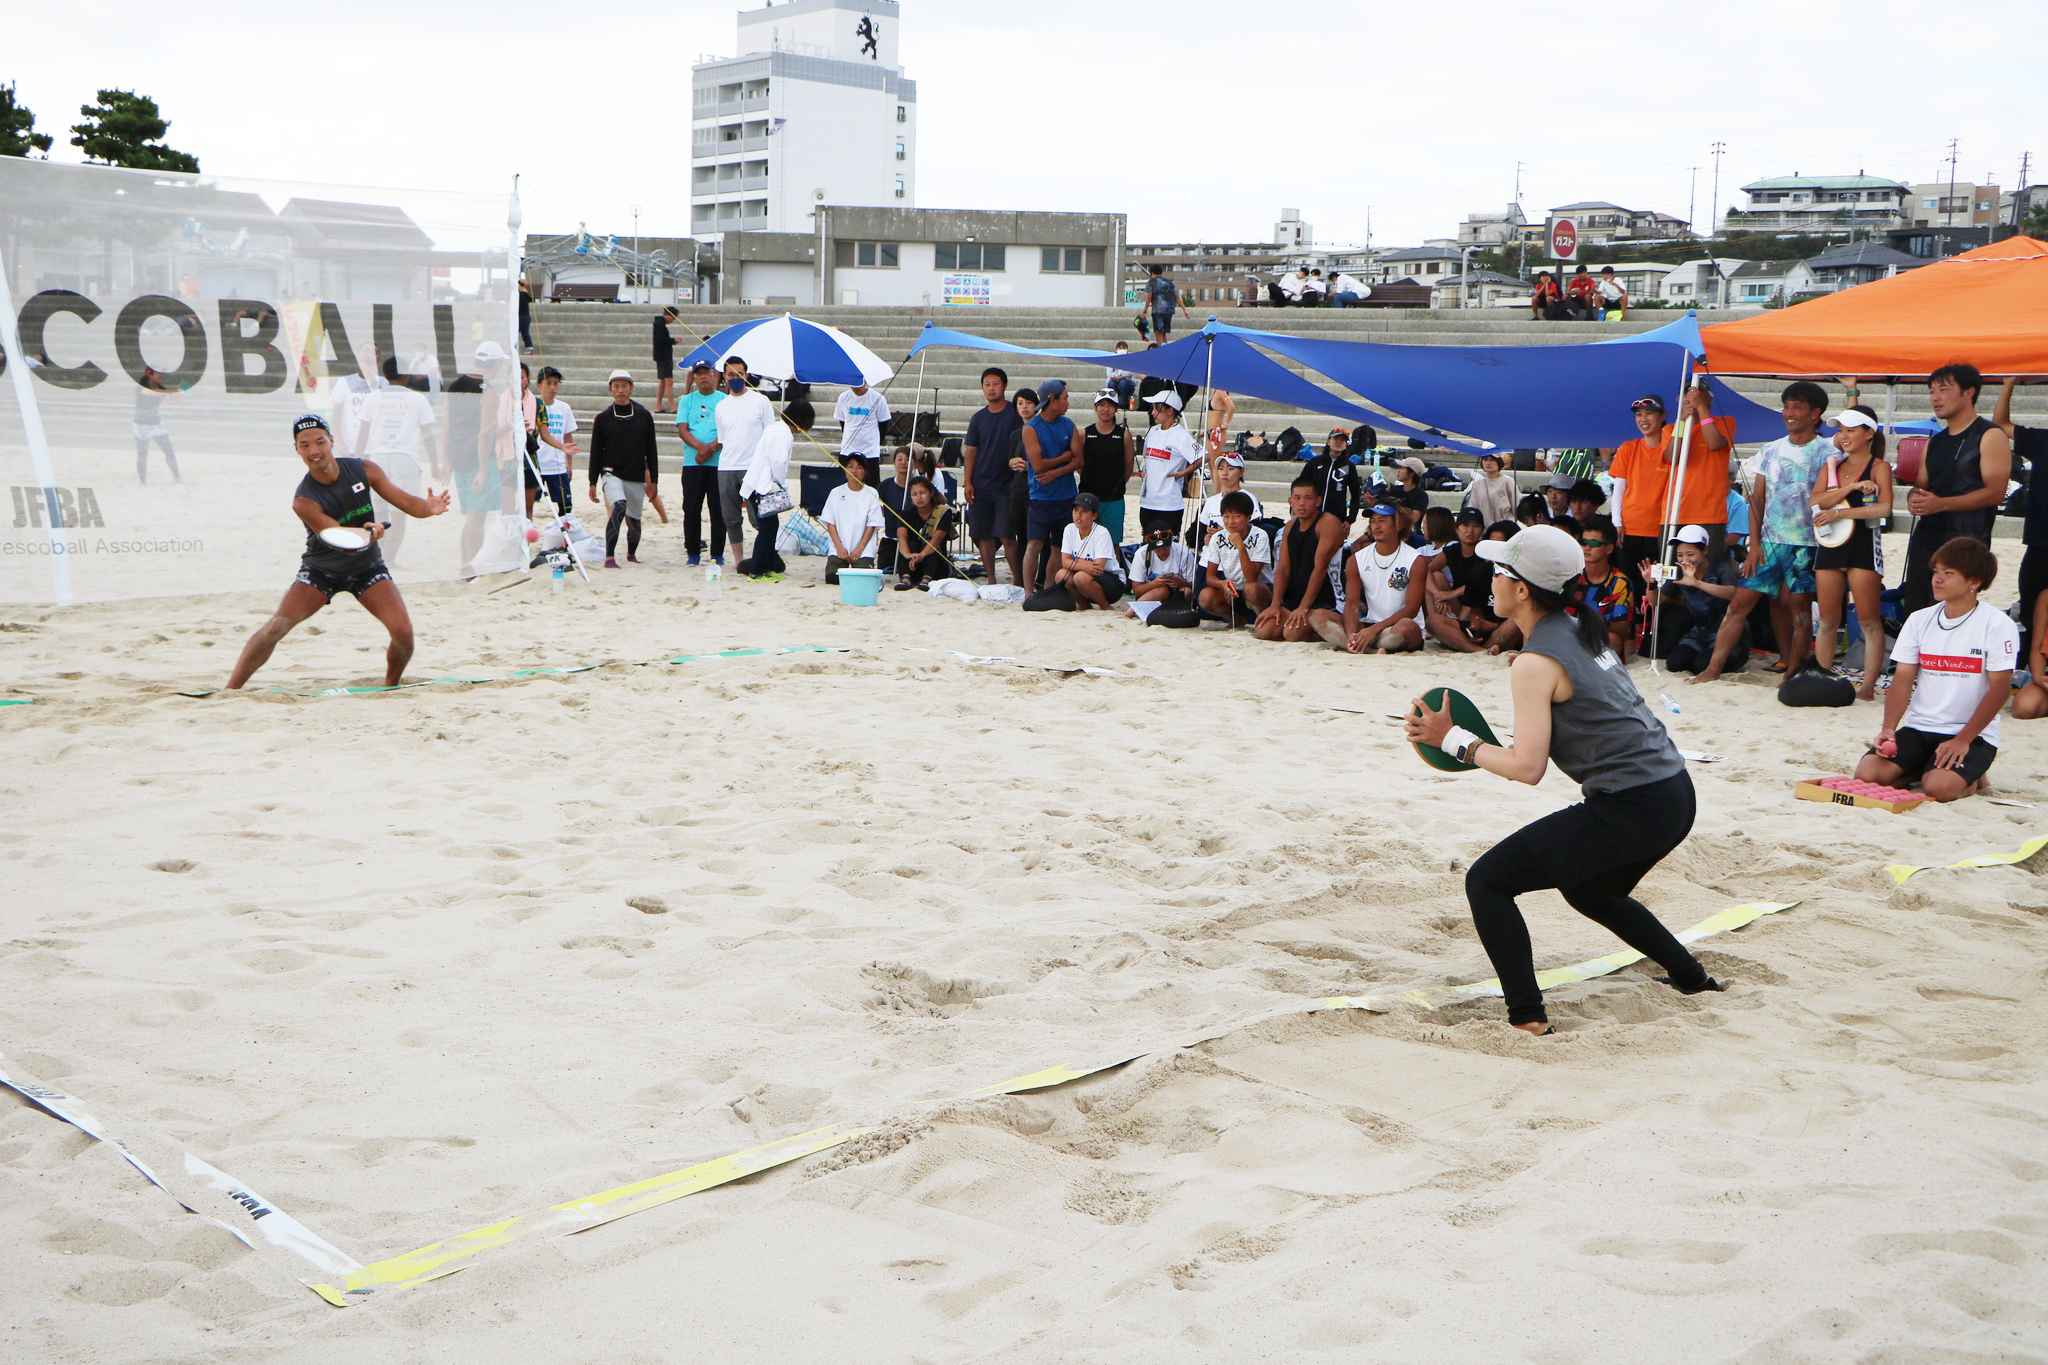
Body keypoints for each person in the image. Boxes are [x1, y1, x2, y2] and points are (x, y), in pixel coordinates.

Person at [1407, 524, 1724, 1034]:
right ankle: (1692, 978)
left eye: (1501, 570)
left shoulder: (1537, 659)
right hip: (1674, 793)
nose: (1491, 577)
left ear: (1523, 589)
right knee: (1591, 891)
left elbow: (1526, 768)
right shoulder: (1579, 626)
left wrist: (1452, 740)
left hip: (1634, 806)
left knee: (1486, 882)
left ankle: (1527, 1018)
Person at [226, 414, 450, 689]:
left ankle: (390, 687)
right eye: (305, 445)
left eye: (320, 442)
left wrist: (429, 508)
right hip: (322, 572)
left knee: (403, 634)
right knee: (277, 627)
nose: (314, 451)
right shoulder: (303, 500)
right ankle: (231, 690)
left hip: (367, 569)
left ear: (331, 441)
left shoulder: (363, 469)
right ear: (297, 450)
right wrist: (369, 532)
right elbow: (339, 539)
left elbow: (406, 502)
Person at [1856, 537, 2017, 802]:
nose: (1937, 579)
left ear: (1974, 582)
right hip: (1921, 727)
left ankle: (1971, 777)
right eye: (1936, 571)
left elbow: (2000, 690)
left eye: (1948, 573)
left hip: (1971, 733)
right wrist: (1888, 728)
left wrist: (1963, 739)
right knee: (1867, 775)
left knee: (1939, 788)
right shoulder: (1920, 619)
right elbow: (1903, 680)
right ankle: (1925, 766)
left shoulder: (1997, 624)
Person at [1693, 382, 1832, 684]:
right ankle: (1712, 670)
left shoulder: (1828, 451)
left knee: (1800, 611)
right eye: (1786, 406)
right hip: (1768, 544)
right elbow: (1757, 499)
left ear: (1815, 413)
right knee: (1739, 605)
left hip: (1806, 544)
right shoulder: (1770, 449)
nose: (1789, 412)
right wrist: (1753, 544)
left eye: (1797, 406)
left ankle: (1793, 674)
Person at [1903, 362, 2013, 615]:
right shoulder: (1936, 441)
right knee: (1917, 611)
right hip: (1927, 538)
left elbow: (1996, 492)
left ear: (1968, 392)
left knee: (1954, 612)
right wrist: (1913, 498)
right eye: (1931, 391)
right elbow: (1921, 484)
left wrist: (1941, 503)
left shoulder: (1990, 434)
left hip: (1967, 539)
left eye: (1943, 389)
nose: (1935, 397)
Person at [1811, 406, 1893, 698]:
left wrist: (1841, 514)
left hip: (1862, 544)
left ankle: (1868, 687)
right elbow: (1817, 501)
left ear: (1868, 433)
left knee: (1869, 619)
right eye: (1840, 430)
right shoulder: (1832, 465)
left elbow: (1884, 508)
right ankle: (1821, 680)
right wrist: (1852, 488)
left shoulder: (1879, 466)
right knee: (1828, 619)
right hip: (1831, 542)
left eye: (1850, 430)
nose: (1843, 436)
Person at [1992, 376, 2047, 665]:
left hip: (2039, 542)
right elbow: (2000, 423)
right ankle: (2029, 662)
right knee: (2029, 609)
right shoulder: (2042, 439)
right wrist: (2009, 383)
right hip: (2040, 543)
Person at [1258, 476, 1345, 642]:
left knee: (1291, 634)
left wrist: (1305, 607)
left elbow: (1320, 569)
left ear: (1318, 501)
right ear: (1290, 501)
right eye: (1297, 498)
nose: (1302, 503)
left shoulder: (1328, 523)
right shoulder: (1290, 527)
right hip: (1295, 597)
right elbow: (1283, 569)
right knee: (1264, 630)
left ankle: (1322, 627)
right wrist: (1275, 604)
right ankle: (1294, 614)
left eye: (1308, 498)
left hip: (1326, 599)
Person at [1650, 525, 1747, 675]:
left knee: (1702, 665)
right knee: (1675, 663)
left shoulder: (1720, 567)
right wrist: (1650, 584)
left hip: (1727, 633)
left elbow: (1732, 592)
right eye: (1680, 555)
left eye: (1690, 554)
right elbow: (1656, 601)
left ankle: (1734, 658)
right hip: (1699, 633)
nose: (1685, 560)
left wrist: (1697, 583)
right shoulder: (1679, 572)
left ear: (1705, 550)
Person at [587, 369, 660, 568]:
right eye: (616, 386)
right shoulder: (602, 419)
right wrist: (592, 481)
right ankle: (609, 557)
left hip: (636, 475)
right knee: (618, 506)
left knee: (634, 521)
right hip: (611, 472)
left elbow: (651, 450)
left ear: (631, 388)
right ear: (610, 389)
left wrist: (653, 480)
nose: (620, 391)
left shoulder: (644, 416)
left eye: (624, 386)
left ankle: (631, 554)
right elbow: (595, 451)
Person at [1337, 502, 1427, 654]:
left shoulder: (1415, 560)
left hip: (1397, 627)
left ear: (1398, 524)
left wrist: (1374, 630)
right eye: (1373, 521)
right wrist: (1353, 633)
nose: (1376, 526)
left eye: (1382, 521)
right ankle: (1361, 645)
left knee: (1407, 627)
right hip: (1370, 624)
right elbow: (1351, 603)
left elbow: (1411, 610)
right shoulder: (1356, 559)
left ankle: (1357, 645)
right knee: (1318, 617)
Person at [1021, 378, 1083, 594]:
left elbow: (1078, 460)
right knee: (1034, 545)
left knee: (1058, 548)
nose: (1068, 402)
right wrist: (1064, 456)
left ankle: (1049, 589)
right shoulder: (1031, 428)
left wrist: (1055, 471)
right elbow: (1038, 466)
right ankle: (1029, 593)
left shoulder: (1069, 425)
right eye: (1065, 398)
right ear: (1052, 400)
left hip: (1066, 497)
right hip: (1041, 498)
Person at [713, 355, 776, 569]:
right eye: (731, 374)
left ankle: (767, 556)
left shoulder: (761, 401)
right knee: (731, 518)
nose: (736, 378)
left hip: (753, 467)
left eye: (740, 374)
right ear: (724, 376)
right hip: (727, 466)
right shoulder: (721, 405)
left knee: (759, 518)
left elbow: (770, 434)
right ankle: (739, 561)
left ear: (746, 375)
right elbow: (723, 439)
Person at [961, 367, 1023, 584]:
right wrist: (967, 482)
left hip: (1007, 485)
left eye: (995, 383)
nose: (991, 388)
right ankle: (991, 579)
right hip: (981, 484)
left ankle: (1017, 579)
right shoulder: (978, 418)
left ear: (1004, 386)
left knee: (1007, 535)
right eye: (987, 384)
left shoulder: (1014, 415)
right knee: (983, 534)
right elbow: (971, 451)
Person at [737, 397, 808, 578]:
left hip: (756, 483)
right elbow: (778, 462)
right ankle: (756, 570)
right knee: (768, 529)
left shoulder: (774, 428)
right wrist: (781, 485)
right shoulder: (784, 434)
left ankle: (767, 563)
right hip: (764, 486)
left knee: (770, 526)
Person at [675, 361, 725, 566]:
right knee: (692, 509)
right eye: (699, 374)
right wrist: (700, 448)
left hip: (717, 463)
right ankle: (693, 552)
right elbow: (683, 429)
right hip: (692, 463)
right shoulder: (687, 401)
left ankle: (717, 553)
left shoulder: (724, 400)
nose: (704, 377)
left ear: (715, 375)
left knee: (718, 510)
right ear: (694, 377)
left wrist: (710, 449)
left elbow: (727, 431)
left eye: (707, 373)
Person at [1197, 490, 1273, 625]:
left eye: (1237, 516)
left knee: (1251, 589)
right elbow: (1210, 577)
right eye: (1226, 517)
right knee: (1205, 596)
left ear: (1248, 517)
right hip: (1233, 590)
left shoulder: (1260, 535)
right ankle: (1236, 618)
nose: (1231, 522)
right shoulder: (1218, 538)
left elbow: (1251, 578)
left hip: (1259, 589)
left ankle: (1262, 618)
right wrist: (1222, 584)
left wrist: (1241, 548)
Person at [1135, 390, 1201, 539]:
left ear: (1170, 410)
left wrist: (1184, 472)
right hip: (1147, 501)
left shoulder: (1181, 435)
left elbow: (1204, 456)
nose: (1152, 413)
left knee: (1168, 547)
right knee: (1147, 545)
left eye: (1156, 409)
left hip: (1169, 504)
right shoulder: (1152, 430)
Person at [1572, 515, 1635, 657]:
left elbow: (1623, 629)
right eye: (1583, 542)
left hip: (1597, 636)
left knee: (1613, 640)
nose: (1586, 548)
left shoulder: (1620, 582)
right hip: (1569, 632)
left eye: (1593, 544)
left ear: (1609, 548)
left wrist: (1592, 622)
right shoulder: (1571, 575)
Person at [819, 452, 885, 583]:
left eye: (859, 467)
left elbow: (872, 525)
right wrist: (839, 548)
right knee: (833, 578)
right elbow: (830, 522)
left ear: (865, 471)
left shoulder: (872, 493)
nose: (854, 471)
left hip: (863, 549)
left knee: (861, 579)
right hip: (840, 547)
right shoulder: (836, 492)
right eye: (850, 466)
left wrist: (859, 549)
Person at [1080, 391, 1134, 544]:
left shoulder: (1124, 435)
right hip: (1088, 497)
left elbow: (1128, 467)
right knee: (1086, 541)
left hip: (1114, 498)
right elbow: (1078, 463)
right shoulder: (1084, 433)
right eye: (1102, 405)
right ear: (1095, 407)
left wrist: (1116, 483)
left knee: (1112, 543)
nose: (1106, 409)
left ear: (1116, 409)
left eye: (1110, 405)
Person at [1054, 493, 1124, 609]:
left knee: (1080, 577)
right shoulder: (1069, 529)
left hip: (1112, 581)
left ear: (1094, 516)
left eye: (1084, 512)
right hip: (1088, 575)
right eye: (1076, 510)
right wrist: (1084, 564)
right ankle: (1084, 605)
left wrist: (1075, 561)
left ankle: (1105, 606)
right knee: (1061, 575)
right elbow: (1064, 562)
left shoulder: (1102, 533)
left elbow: (1098, 568)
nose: (1078, 515)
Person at [532, 365, 578, 518]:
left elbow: (567, 437)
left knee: (566, 506)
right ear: (539, 385)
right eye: (548, 383)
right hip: (537, 464)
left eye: (555, 383)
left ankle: (562, 539)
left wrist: (569, 465)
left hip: (557, 465)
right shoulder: (533, 406)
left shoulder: (564, 408)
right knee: (528, 503)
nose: (552, 387)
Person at [894, 476, 955, 589]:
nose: (919, 497)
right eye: (914, 494)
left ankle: (926, 579)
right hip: (912, 562)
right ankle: (906, 578)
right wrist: (908, 555)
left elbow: (937, 539)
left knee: (930, 548)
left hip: (935, 562)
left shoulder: (943, 512)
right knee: (909, 545)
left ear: (930, 493)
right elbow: (901, 535)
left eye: (922, 493)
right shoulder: (905, 513)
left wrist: (921, 555)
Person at [1301, 429, 1363, 527]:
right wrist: (1295, 511)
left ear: (1346, 444)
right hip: (1312, 515)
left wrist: (1350, 519)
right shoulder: (1314, 462)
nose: (1339, 442)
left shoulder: (1349, 466)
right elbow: (1300, 486)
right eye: (1335, 438)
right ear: (1328, 441)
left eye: (1342, 440)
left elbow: (1355, 494)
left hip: (1336, 518)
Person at [833, 380, 890, 483]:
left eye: (859, 384)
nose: (856, 388)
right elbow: (843, 422)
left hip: (870, 453)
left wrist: (876, 443)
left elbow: (883, 425)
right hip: (847, 451)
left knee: (872, 487)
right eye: (853, 384)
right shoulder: (843, 397)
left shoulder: (878, 398)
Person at [1127, 525, 1198, 608]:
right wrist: (1155, 583)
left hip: (1177, 593)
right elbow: (1137, 591)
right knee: (1162, 590)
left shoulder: (1184, 553)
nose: (1161, 552)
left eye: (1165, 548)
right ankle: (1132, 611)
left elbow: (1194, 588)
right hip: (1154, 593)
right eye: (1157, 549)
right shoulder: (1141, 554)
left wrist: (1181, 582)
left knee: (1186, 591)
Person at [133, 368, 181, 484]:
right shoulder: (142, 388)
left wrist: (181, 391)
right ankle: (142, 481)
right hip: (142, 426)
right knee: (143, 454)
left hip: (156, 424)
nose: (161, 377)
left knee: (169, 450)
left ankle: (177, 478)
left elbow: (172, 402)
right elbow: (152, 392)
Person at [1196, 454, 1263, 532]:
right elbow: (1200, 530)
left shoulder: (1249, 498)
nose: (1225, 473)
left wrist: (1223, 533)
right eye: (1221, 468)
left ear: (1241, 472)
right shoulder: (1210, 501)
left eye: (1230, 469)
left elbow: (1254, 530)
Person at [1463, 451, 1518, 526]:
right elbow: (1472, 508)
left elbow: (1517, 505)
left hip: (1505, 527)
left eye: (1492, 460)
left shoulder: (1507, 481)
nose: (1488, 463)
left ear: (1498, 462)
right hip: (1484, 529)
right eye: (1485, 460)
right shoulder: (1477, 484)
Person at [1144, 265, 1182, 341]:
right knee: (1164, 333)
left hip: (1158, 310)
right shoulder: (1169, 282)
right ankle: (1166, 349)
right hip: (1169, 310)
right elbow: (1176, 296)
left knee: (1158, 332)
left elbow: (1149, 296)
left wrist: (1145, 311)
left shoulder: (1151, 282)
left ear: (1152, 273)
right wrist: (1184, 309)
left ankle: (1160, 350)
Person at [652, 307, 678, 414]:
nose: (673, 320)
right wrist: (674, 340)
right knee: (668, 381)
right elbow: (661, 340)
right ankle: (673, 406)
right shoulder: (659, 325)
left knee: (663, 382)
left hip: (661, 356)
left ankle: (658, 405)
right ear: (669, 315)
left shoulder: (659, 324)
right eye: (673, 317)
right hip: (664, 356)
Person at [1205, 388, 1236, 470]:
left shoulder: (1221, 391)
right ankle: (1215, 482)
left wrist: (1226, 423)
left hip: (1217, 432)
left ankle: (1217, 483)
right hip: (1210, 430)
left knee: (1214, 463)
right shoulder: (1214, 390)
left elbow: (1231, 407)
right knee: (1210, 463)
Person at [1106, 341, 1137, 411]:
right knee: (1111, 383)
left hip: (1128, 385)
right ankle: (1112, 404)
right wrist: (1121, 376)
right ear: (1116, 349)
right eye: (1120, 348)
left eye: (1124, 348)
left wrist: (1119, 375)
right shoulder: (1111, 359)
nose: (1122, 350)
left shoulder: (1130, 359)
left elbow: (1129, 372)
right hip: (1114, 383)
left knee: (1123, 383)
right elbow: (1109, 374)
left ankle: (1124, 404)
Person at [518, 279, 535, 353]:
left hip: (521, 316)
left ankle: (511, 346)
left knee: (514, 332)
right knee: (525, 333)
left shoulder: (520, 295)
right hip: (526, 317)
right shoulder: (526, 294)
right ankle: (529, 348)